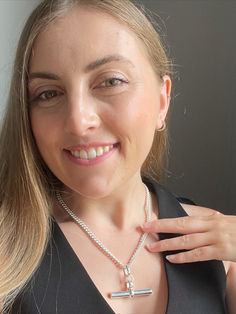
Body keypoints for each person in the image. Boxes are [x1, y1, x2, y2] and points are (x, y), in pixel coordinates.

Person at [0, 0, 235, 313]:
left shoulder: (221, 248)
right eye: (48, 93)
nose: (79, 121)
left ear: (162, 100)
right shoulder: (6, 254)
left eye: (111, 81)